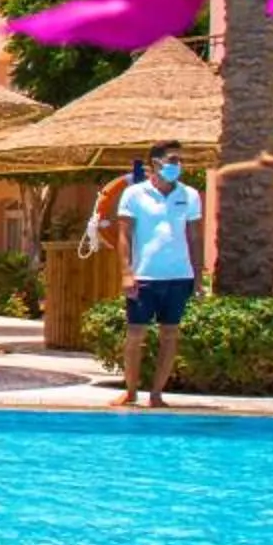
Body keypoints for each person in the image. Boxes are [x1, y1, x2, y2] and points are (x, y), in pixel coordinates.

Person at [113, 140, 205, 409]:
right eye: (174, 160)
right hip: (144, 277)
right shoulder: (134, 194)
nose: (179, 165)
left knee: (170, 335)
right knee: (135, 334)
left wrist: (198, 277)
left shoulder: (190, 195)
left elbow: (195, 237)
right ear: (155, 163)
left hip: (179, 276)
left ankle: (156, 394)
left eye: (180, 160)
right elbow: (124, 235)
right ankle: (131, 392)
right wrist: (126, 272)